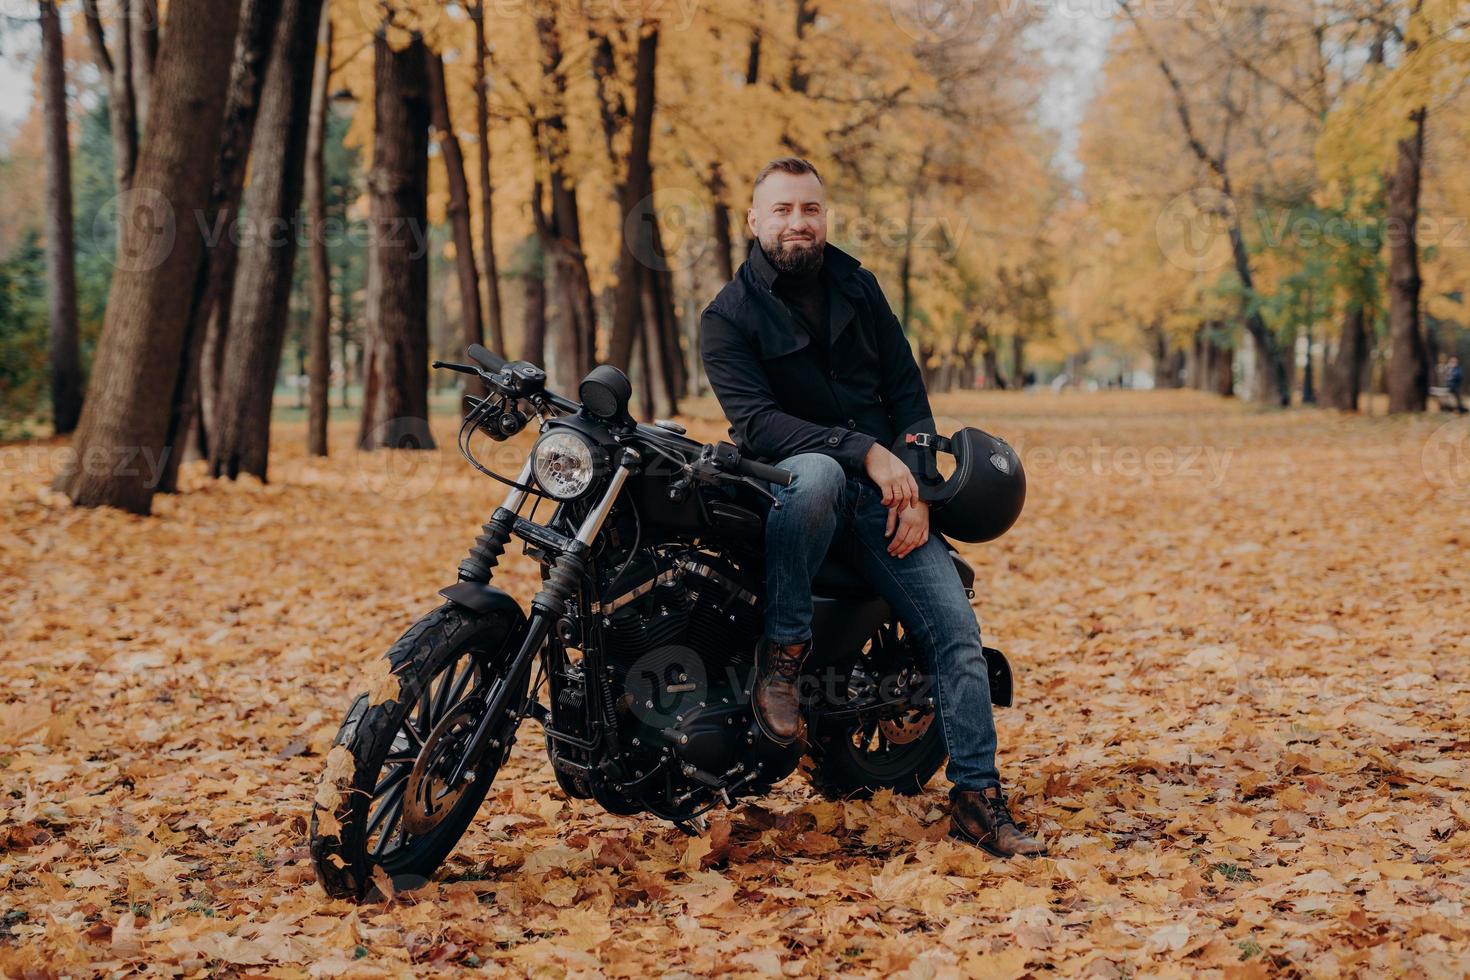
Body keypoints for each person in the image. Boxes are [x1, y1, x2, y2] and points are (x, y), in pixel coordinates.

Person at [698, 157, 1045, 859]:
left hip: (888, 505)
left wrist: (911, 480)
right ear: (754, 222)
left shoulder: (860, 287)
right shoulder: (725, 318)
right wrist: (865, 451)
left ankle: (977, 801)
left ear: (825, 217)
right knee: (819, 473)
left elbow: (908, 396)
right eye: (784, 210)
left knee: (958, 638)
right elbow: (758, 424)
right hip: (797, 498)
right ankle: (785, 653)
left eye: (811, 210)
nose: (799, 222)